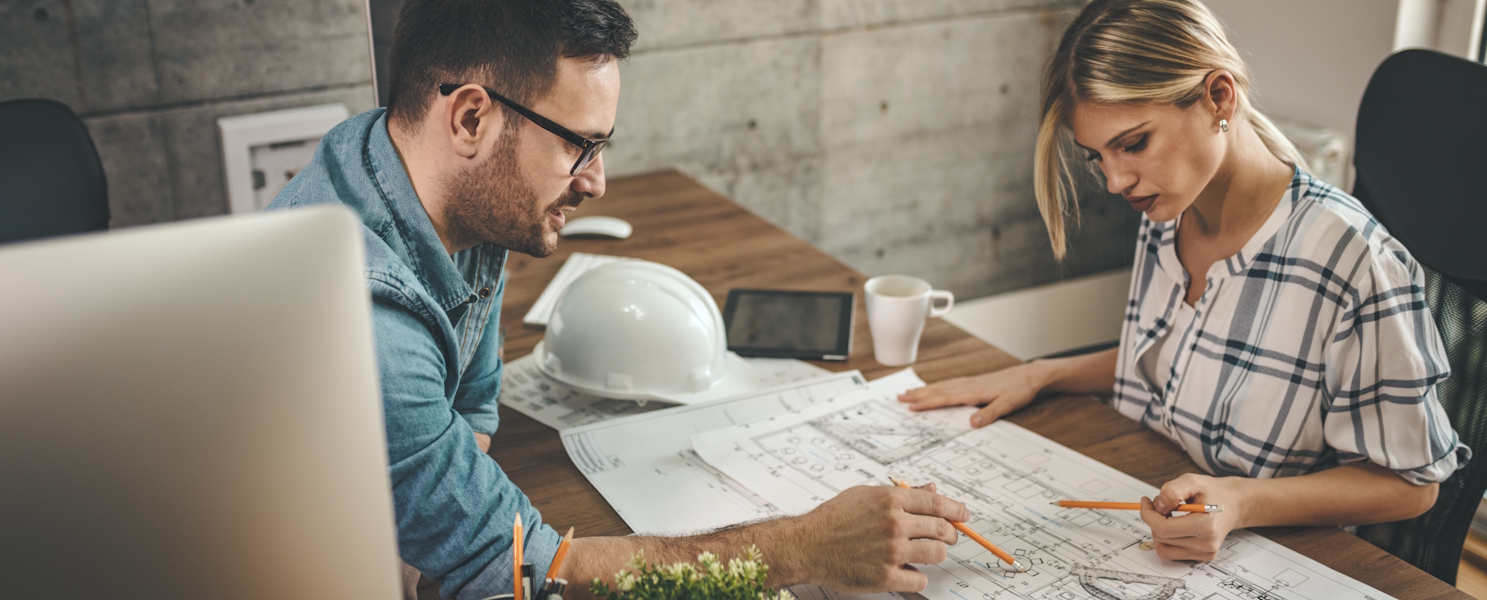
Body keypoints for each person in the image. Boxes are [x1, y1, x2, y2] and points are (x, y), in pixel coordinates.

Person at [268, 0, 967, 598]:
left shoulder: (439, 177)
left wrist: (455, 525)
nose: (596, 181)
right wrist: (806, 547)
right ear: (471, 119)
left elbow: (473, 411)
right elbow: (527, 570)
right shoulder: (370, 327)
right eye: (579, 145)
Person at [899, 0, 1469, 563]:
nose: (1116, 181)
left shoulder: (1352, 262)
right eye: (1096, 156)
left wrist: (1242, 501)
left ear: (1219, 97)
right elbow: (1188, 354)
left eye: (1133, 142)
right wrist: (1045, 372)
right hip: (1154, 507)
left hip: (1279, 555)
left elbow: (1413, 485)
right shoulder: (1171, 205)